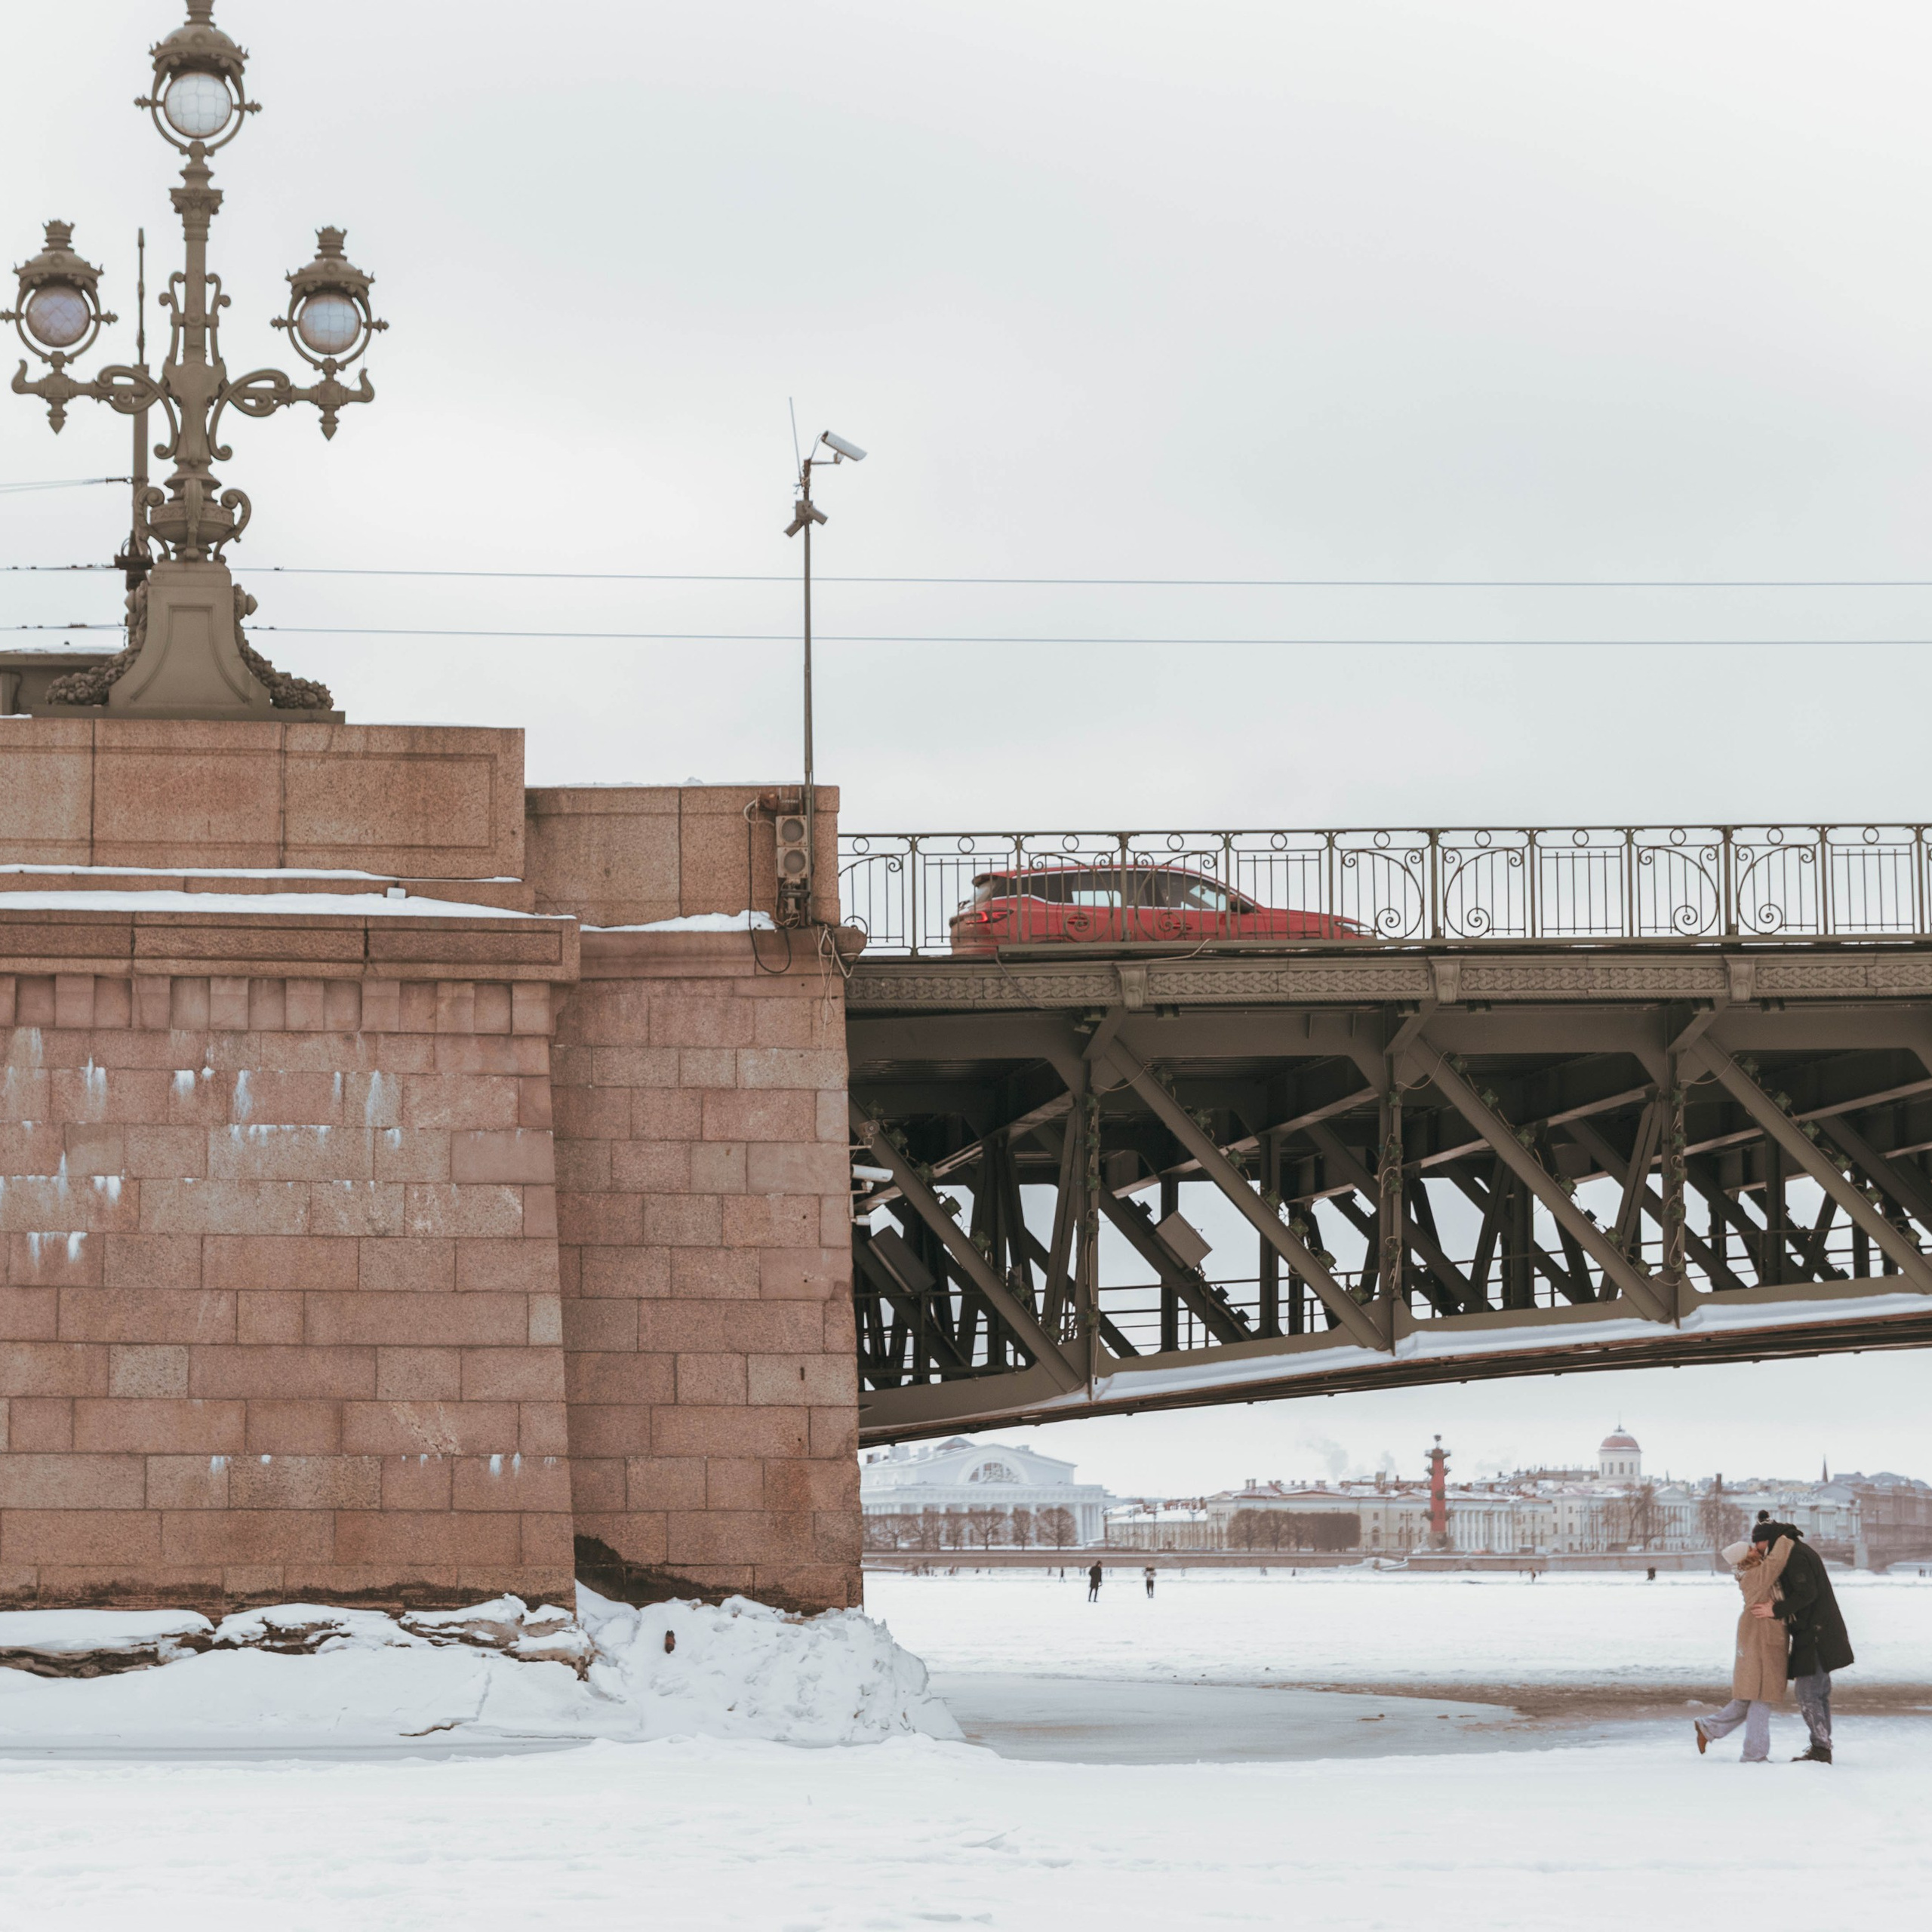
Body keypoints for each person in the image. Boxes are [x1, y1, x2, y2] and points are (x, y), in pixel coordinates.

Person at [1753, 1515, 1853, 1764]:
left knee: (1808, 1694)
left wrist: (1775, 1610)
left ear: (1768, 1540)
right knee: (1818, 1693)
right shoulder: (1796, 1549)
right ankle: (1822, 1745)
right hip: (1818, 1632)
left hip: (1815, 1634)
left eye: (1758, 1544)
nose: (1756, 1549)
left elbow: (1807, 1593)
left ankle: (1821, 1748)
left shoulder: (1795, 1555)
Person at [1695, 1534, 1792, 1763]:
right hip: (1760, 1634)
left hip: (1758, 1633)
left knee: (1752, 1693)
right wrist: (1785, 1537)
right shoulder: (1755, 1575)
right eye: (1750, 1549)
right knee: (1762, 1694)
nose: (1756, 1550)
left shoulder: (1750, 1573)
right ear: (1744, 1558)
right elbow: (1775, 1563)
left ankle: (1709, 1728)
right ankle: (1754, 1753)